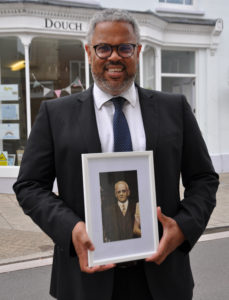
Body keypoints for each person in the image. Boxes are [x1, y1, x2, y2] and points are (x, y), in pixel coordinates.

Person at [13, 8, 219, 300]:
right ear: (88, 52)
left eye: (124, 47)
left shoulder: (175, 109)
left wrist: (184, 228)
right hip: (86, 279)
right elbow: (29, 186)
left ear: (138, 51)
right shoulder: (54, 114)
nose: (114, 57)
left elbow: (203, 179)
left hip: (162, 277)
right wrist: (71, 229)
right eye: (103, 48)